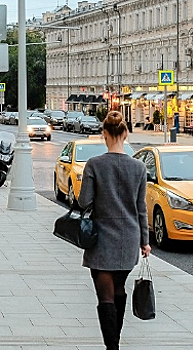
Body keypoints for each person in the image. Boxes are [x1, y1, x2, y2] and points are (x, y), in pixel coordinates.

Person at [77, 110, 151, 350]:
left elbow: (83, 202)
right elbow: (141, 208)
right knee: (118, 289)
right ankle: (114, 344)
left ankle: (112, 347)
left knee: (105, 296)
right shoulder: (139, 168)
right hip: (129, 239)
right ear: (126, 133)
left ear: (104, 134)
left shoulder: (95, 165)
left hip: (101, 240)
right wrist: (145, 242)